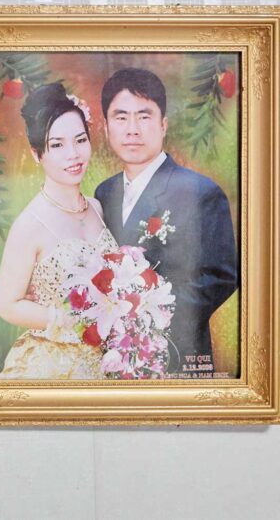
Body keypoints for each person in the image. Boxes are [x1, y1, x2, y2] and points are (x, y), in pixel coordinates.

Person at [94, 68, 238, 377]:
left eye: (144, 116)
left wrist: (142, 314)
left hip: (176, 356)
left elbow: (220, 277)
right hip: (110, 358)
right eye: (121, 118)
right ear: (106, 127)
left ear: (163, 124)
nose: (132, 129)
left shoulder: (201, 192)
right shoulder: (103, 193)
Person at [0, 83, 117, 379]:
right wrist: (68, 320)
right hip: (53, 365)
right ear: (37, 154)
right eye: (57, 145)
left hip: (105, 363)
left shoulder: (97, 207)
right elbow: (7, 304)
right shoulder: (29, 225)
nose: (73, 155)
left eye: (80, 140)